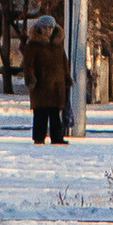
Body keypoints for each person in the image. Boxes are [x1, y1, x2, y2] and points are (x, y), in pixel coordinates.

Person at [24, 11, 71, 146]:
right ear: (39, 28)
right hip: (41, 85)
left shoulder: (57, 45)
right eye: (45, 27)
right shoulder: (33, 45)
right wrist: (31, 79)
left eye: (50, 27)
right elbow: (29, 64)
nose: (48, 30)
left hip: (57, 86)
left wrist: (66, 78)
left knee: (55, 113)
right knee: (41, 113)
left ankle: (57, 137)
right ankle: (39, 137)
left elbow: (64, 62)